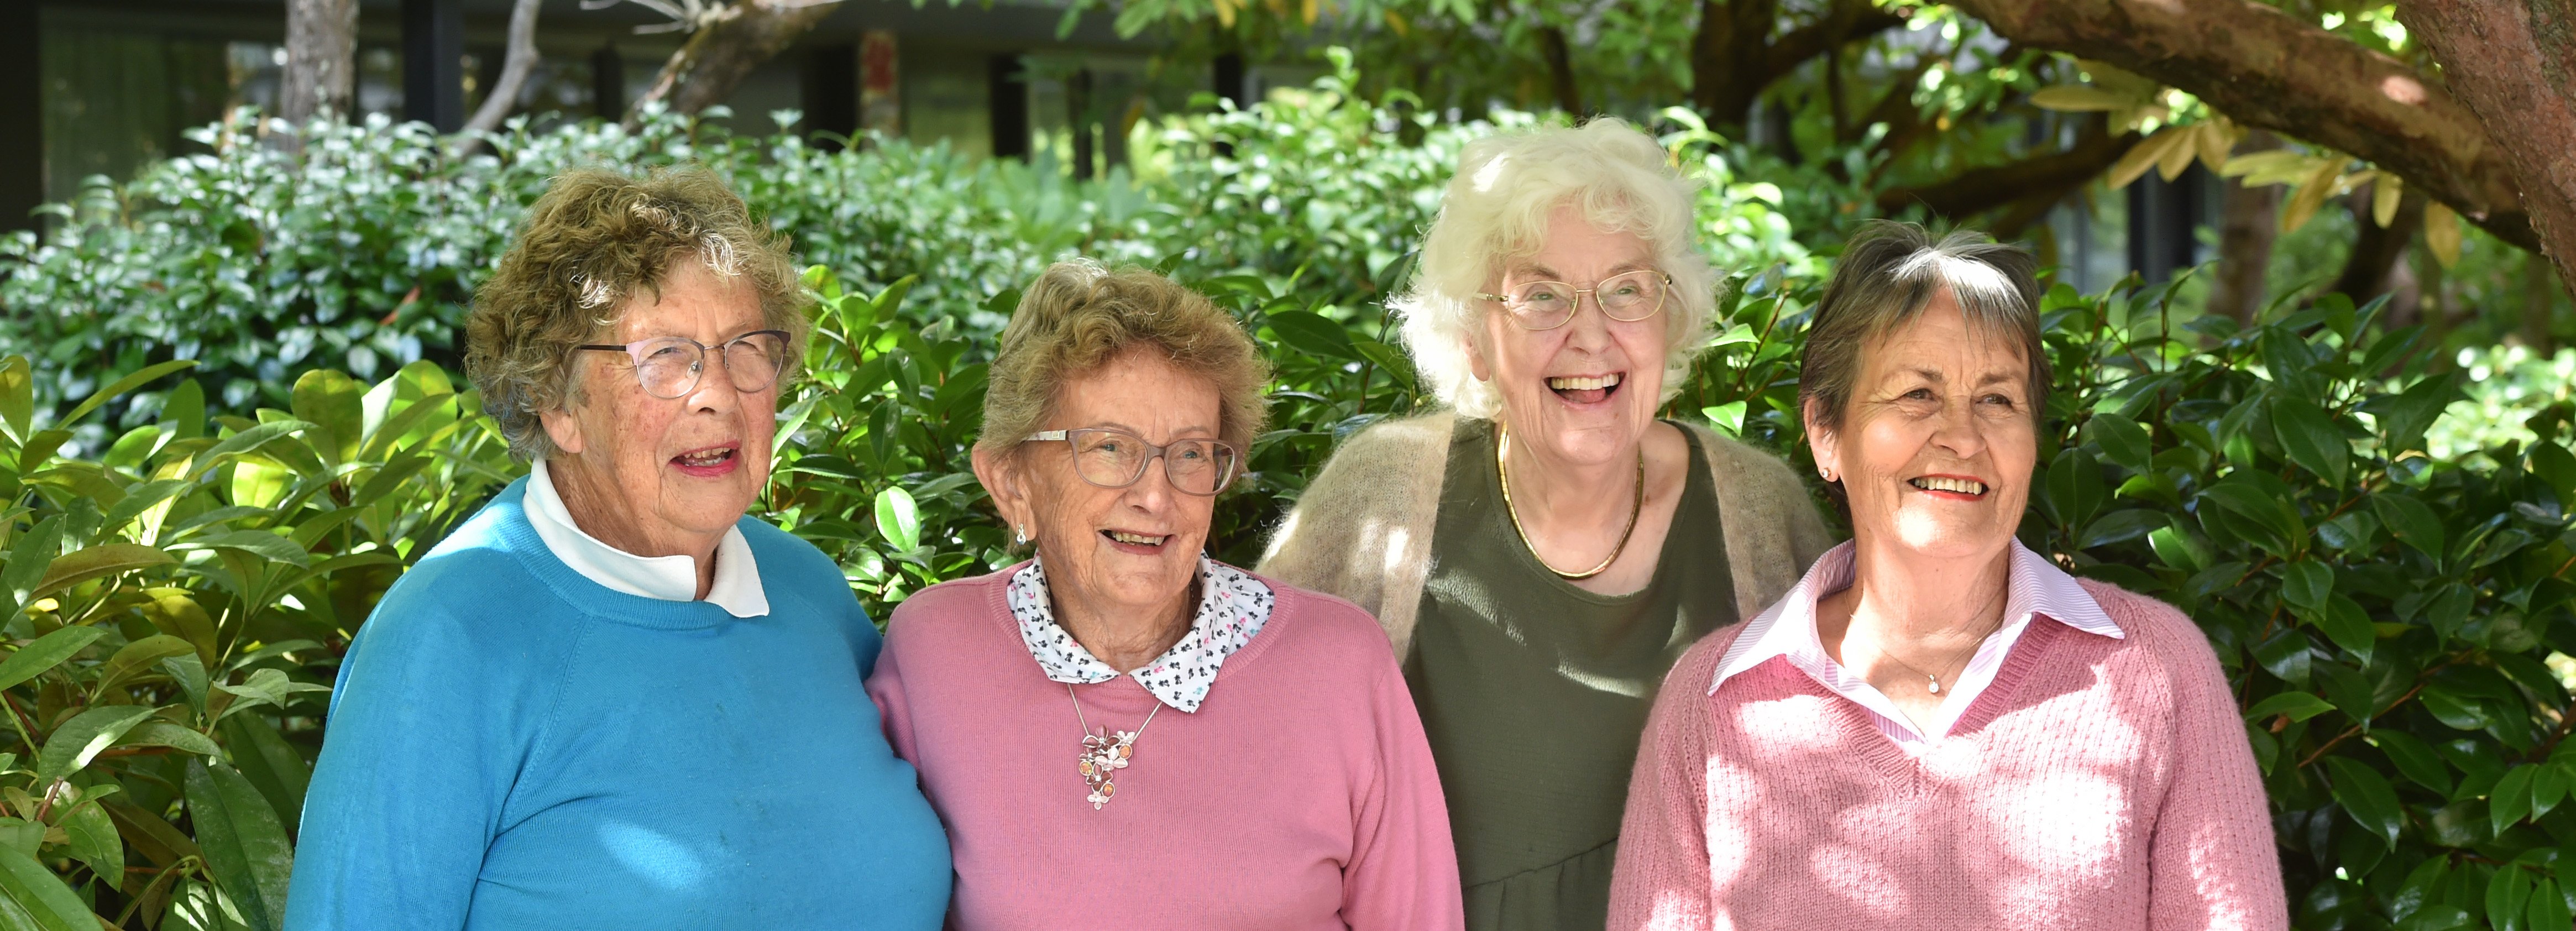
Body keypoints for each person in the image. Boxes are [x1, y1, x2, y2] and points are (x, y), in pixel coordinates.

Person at [286, 167, 950, 930]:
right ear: (557, 403)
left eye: (745, 348)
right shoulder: (447, 637)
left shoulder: (807, 590)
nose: (718, 393)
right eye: (663, 356)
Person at [1607, 222, 2287, 930]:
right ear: (1825, 433)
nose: (1962, 437)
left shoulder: (2155, 672)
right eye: (1916, 394)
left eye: (1996, 400)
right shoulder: (1714, 705)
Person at [1257, 118, 1835, 931]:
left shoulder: (1756, 509)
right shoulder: (1384, 500)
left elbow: (1850, 801)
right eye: (1541, 296)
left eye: (1627, 290)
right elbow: (1252, 771)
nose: (1590, 335)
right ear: (1475, 339)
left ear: (1671, 318)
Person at [867, 260, 1464, 930]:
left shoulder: (1339, 663)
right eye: (1109, 447)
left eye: (1190, 453)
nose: (1155, 495)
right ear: (1011, 481)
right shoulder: (936, 649)